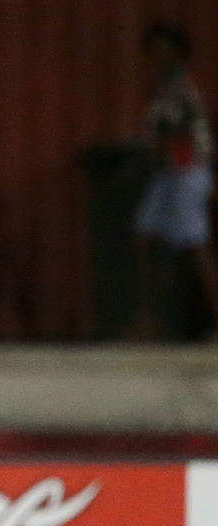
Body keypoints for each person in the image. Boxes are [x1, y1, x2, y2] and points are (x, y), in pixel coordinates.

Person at [132, 23, 217, 340]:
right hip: (168, 173)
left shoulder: (181, 88)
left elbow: (184, 136)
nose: (157, 55)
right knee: (145, 235)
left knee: (196, 245)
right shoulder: (163, 86)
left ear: (178, 53)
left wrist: (182, 172)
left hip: (185, 170)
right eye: (153, 49)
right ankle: (148, 319)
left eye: (163, 48)